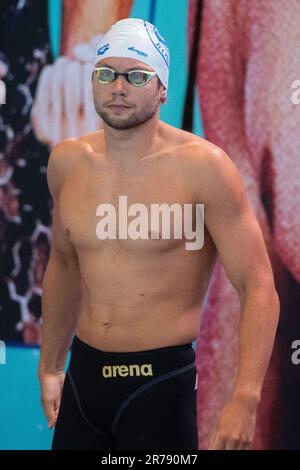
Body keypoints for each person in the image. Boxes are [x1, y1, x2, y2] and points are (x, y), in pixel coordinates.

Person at [38, 18, 279, 450]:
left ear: (162, 88)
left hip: (158, 386)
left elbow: (258, 284)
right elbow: (65, 262)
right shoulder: (67, 163)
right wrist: (52, 365)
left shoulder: (204, 168)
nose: (118, 87)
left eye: (137, 75)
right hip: (84, 378)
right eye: (107, 74)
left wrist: (244, 398)